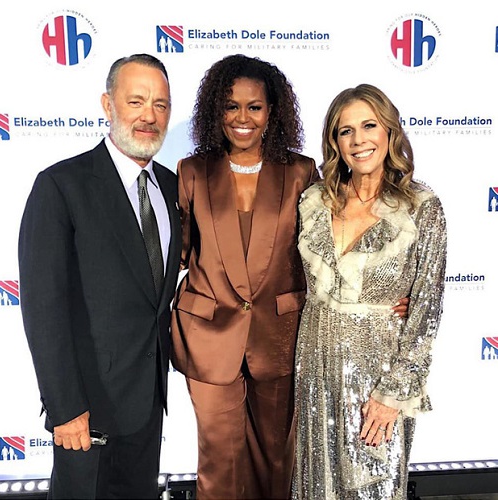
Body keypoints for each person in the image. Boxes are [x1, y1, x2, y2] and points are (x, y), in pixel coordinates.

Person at [170, 56, 408, 500]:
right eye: (231, 106)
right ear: (215, 110)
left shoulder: (300, 172)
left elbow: (330, 249)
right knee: (218, 463)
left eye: (255, 107)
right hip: (207, 336)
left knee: (278, 463)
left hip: (281, 336)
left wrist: (384, 295)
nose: (242, 118)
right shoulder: (192, 171)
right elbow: (177, 254)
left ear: (272, 111)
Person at [18, 53, 181, 499]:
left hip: (148, 407)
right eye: (136, 101)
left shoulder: (171, 187)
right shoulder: (61, 185)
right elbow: (43, 309)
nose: (149, 116)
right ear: (108, 105)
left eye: (161, 104)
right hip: (86, 413)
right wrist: (65, 408)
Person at [292, 84, 447, 500]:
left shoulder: (422, 207)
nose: (358, 140)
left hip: (377, 374)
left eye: (369, 126)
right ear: (335, 142)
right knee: (315, 486)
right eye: (346, 131)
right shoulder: (313, 202)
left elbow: (426, 312)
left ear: (389, 132)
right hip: (314, 366)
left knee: (372, 485)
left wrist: (392, 393)